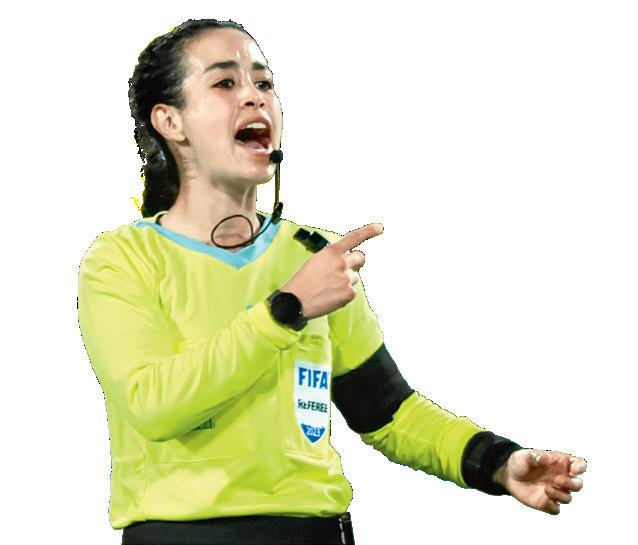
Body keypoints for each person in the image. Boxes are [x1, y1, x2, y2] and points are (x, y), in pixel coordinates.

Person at [77, 18, 587, 545]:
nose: (253, 97)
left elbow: (387, 413)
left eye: (264, 83)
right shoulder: (122, 259)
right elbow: (154, 404)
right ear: (170, 120)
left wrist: (497, 462)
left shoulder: (314, 256)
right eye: (225, 82)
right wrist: (286, 309)